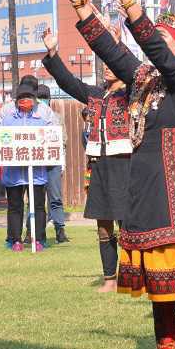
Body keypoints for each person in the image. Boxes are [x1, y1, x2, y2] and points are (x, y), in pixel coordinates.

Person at [57, 0, 175, 349]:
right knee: (156, 273)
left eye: (164, 42)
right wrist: (82, 7)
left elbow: (156, 52)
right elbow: (113, 53)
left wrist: (131, 3)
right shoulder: (145, 83)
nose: (153, 49)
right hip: (146, 185)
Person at [42, 26, 131, 293]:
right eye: (105, 65)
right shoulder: (95, 96)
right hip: (98, 165)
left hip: (125, 164)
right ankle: (109, 279)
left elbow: (136, 71)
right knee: (103, 225)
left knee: (127, 225)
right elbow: (68, 83)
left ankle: (133, 275)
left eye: (112, 65)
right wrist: (53, 52)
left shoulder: (132, 95)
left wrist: (116, 44)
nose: (107, 69)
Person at [1, 81, 52, 252]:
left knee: (37, 206)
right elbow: (1, 139)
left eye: (28, 97)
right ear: (16, 101)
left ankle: (38, 238)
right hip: (14, 173)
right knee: (15, 206)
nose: (25, 101)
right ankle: (15, 239)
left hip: (37, 173)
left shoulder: (42, 120)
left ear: (34, 100)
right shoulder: (7, 121)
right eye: (21, 98)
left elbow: (51, 139)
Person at [37, 84, 68, 244]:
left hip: (53, 162)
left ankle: (60, 230)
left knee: (55, 198)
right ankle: (33, 232)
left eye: (44, 98)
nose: (42, 101)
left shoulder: (57, 117)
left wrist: (62, 163)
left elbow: (63, 141)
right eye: (39, 97)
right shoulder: (31, 118)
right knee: (36, 200)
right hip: (35, 163)